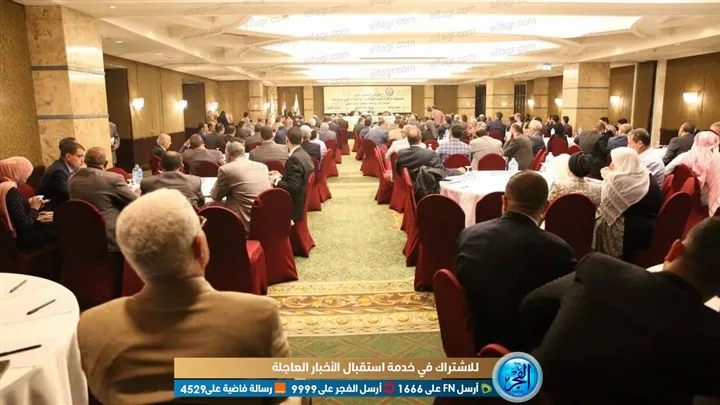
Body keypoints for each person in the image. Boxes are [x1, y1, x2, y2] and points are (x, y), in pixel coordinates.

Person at [77, 188, 295, 405]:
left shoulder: (91, 325)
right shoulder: (258, 316)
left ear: (130, 258)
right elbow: (280, 392)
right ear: (199, 247)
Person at [520, 218, 720, 405]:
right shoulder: (712, 339)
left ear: (674, 250)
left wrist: (554, 343)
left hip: (529, 393)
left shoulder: (599, 268)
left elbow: (531, 305)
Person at [455, 171, 576, 351]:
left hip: (477, 335)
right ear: (546, 207)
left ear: (504, 202)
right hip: (530, 346)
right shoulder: (558, 250)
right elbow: (568, 307)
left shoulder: (469, 235)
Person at [594, 147, 663, 260]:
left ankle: (605, 257)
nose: (611, 165)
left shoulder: (622, 181)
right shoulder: (642, 172)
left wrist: (609, 174)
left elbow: (606, 207)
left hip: (638, 231)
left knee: (600, 219)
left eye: (614, 161)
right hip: (652, 221)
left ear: (624, 162)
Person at [69, 147, 137, 253]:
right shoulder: (113, 179)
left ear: (85, 161)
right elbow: (134, 202)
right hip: (110, 236)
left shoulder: (72, 179)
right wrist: (137, 193)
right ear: (105, 163)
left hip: (82, 234)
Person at [211, 142, 271, 233]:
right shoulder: (263, 167)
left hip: (242, 224)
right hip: (264, 221)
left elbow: (215, 196)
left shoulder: (226, 169)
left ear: (227, 155)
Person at [0, 157, 56, 251]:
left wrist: (30, 204)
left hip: (14, 239)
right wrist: (34, 208)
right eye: (26, 173)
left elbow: (15, 211)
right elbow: (25, 225)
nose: (27, 177)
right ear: (17, 172)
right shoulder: (11, 190)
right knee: (62, 232)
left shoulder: (4, 186)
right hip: (24, 241)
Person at [665, 131, 720, 216]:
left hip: (687, 197)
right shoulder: (717, 161)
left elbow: (666, 171)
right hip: (711, 200)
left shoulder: (685, 156)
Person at [270, 127, 314, 222]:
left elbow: (293, 187)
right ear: (301, 140)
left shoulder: (294, 159)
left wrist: (275, 180)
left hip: (294, 204)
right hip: (301, 198)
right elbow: (297, 179)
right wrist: (280, 176)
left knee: (266, 204)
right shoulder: (304, 154)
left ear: (287, 139)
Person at [38, 138, 85, 211]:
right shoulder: (58, 172)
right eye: (80, 156)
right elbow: (69, 196)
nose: (83, 160)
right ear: (68, 156)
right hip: (53, 211)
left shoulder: (65, 167)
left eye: (84, 157)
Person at [395, 127, 463, 176]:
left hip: (409, 186)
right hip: (426, 188)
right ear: (421, 138)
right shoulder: (430, 154)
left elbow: (398, 171)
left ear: (408, 140)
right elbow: (442, 171)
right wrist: (458, 171)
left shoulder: (401, 153)